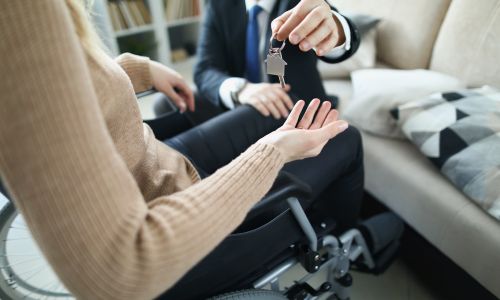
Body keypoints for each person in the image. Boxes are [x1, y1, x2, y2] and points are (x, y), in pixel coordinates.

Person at [0, 1, 356, 299]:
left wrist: (337, 28)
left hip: (162, 160)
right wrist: (245, 100)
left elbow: (55, 90)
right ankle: (341, 233)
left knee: (310, 126)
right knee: (346, 138)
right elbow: (205, 70)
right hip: (170, 187)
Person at [195, 0, 361, 118]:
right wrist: (241, 89)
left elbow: (332, 26)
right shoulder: (218, 5)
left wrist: (338, 30)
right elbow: (204, 70)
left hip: (295, 107)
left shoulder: (300, 3)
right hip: (241, 103)